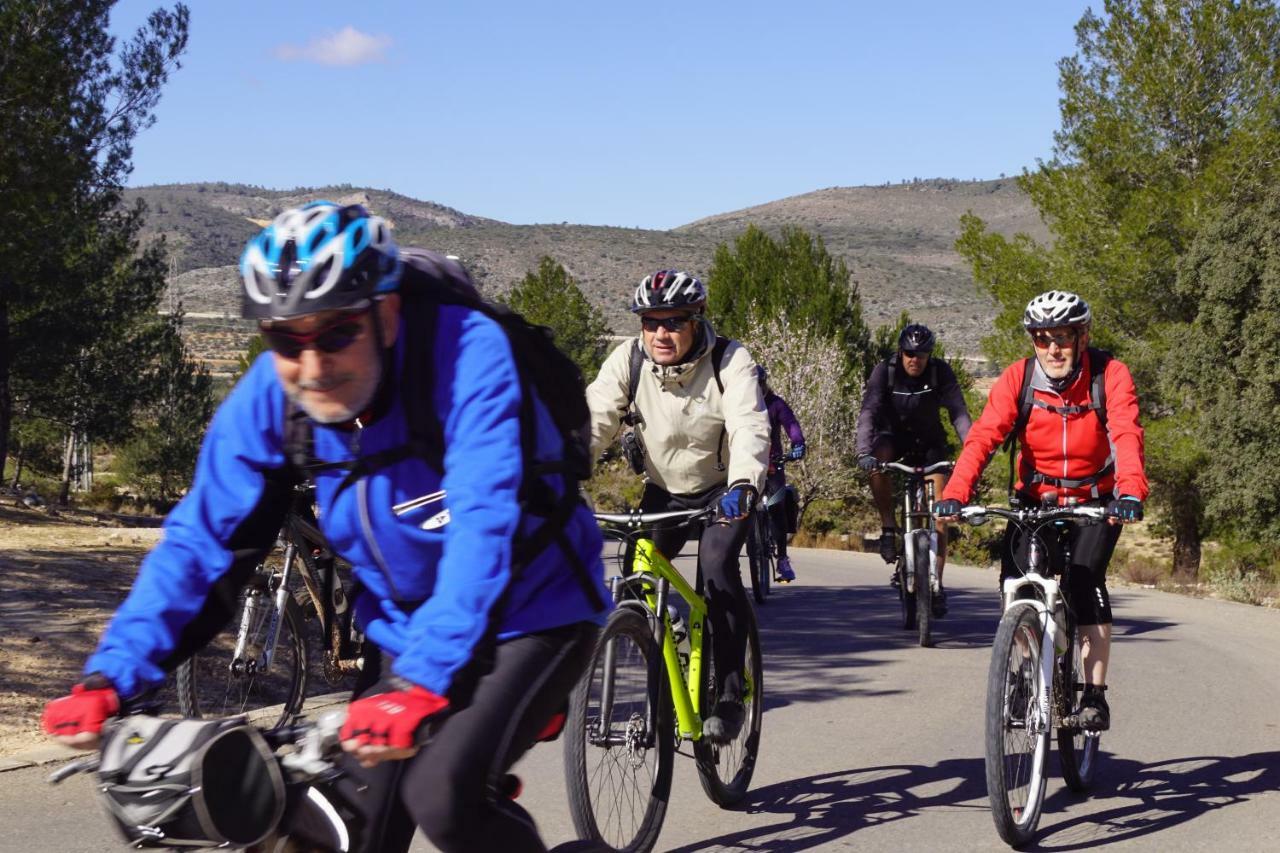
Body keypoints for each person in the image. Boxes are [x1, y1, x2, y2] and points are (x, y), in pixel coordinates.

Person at [41, 202, 609, 853]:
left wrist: (420, 684)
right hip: (404, 627)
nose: (312, 365)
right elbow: (199, 545)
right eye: (286, 339)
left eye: (337, 332)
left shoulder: (465, 353)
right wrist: (111, 674)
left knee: (443, 795)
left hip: (531, 608)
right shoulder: (271, 398)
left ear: (386, 313)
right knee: (330, 830)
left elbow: (483, 526)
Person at [934, 290, 1147, 731]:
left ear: (1081, 337)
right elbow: (983, 438)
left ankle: (1094, 695)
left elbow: (1126, 433)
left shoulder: (1110, 376)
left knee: (1086, 580)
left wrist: (1129, 493)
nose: (1053, 349)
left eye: (1063, 338)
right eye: (1042, 338)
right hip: (1036, 499)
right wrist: (956, 491)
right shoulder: (1019, 378)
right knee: (1017, 583)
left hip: (1097, 499)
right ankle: (1027, 672)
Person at [586, 269, 769, 743]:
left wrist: (745, 483)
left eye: (674, 322)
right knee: (635, 576)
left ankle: (729, 693)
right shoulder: (627, 360)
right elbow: (594, 421)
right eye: (651, 322)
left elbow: (749, 425)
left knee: (716, 566)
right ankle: (664, 679)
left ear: (697, 320)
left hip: (723, 489)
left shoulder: (730, 360)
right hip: (664, 488)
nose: (661, 334)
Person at [855, 323, 972, 615]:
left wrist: (973, 449)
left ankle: (937, 584)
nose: (914, 359)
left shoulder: (939, 372)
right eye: (909, 353)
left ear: (929, 355)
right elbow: (868, 410)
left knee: (941, 514)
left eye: (921, 354)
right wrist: (862, 451)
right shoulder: (886, 371)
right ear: (900, 351)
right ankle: (887, 527)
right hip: (892, 440)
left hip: (929, 444)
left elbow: (959, 413)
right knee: (877, 459)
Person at [758, 365, 806, 582]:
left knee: (776, 507)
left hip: (773, 464)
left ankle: (782, 559)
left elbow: (791, 424)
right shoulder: (738, 404)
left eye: (759, 384)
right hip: (746, 465)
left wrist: (797, 443)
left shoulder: (775, 404)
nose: (756, 389)